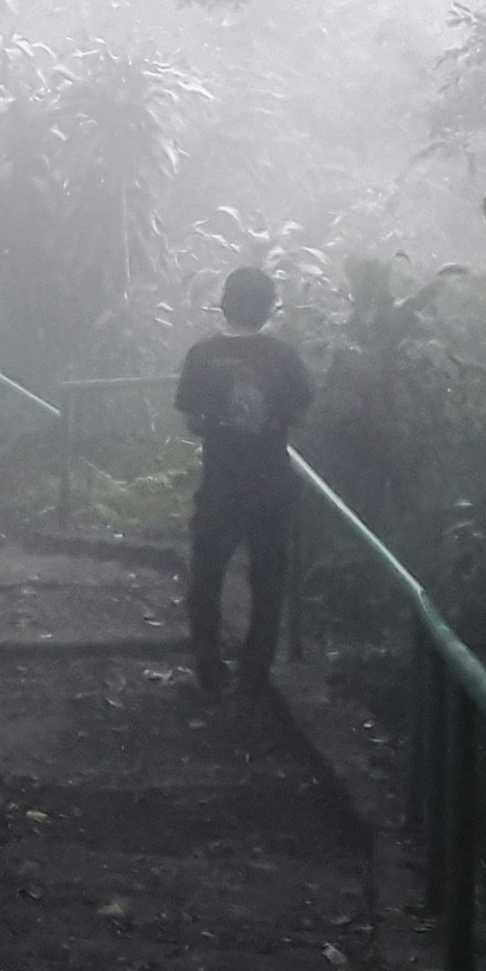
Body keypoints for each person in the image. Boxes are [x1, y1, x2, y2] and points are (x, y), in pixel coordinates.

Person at [175, 266, 313, 695]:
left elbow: (192, 420)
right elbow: (301, 412)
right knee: (268, 577)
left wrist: (222, 427)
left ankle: (209, 666)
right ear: (269, 306)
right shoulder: (283, 356)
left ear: (225, 302)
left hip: (220, 480)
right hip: (270, 481)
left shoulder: (201, 354)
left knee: (207, 575)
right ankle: (256, 670)